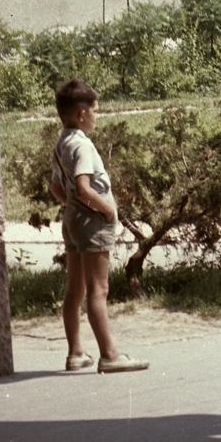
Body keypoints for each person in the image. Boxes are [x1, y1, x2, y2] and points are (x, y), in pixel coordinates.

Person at [49, 78, 148, 374]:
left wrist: (73, 211)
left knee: (75, 289)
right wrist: (107, 211)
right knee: (98, 290)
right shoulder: (82, 145)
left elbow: (57, 188)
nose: (96, 116)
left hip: (74, 222)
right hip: (92, 223)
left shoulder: (62, 142)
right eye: (95, 111)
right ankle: (109, 355)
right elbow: (82, 187)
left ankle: (76, 353)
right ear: (82, 114)